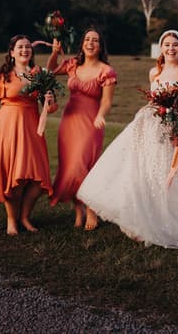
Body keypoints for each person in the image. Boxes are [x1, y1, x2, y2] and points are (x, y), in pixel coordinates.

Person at [76, 30, 178, 249]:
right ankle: (146, 219)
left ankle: (176, 220)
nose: (171, 49)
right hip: (153, 127)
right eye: (167, 45)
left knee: (175, 177)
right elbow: (154, 99)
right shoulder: (155, 72)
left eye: (175, 45)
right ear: (161, 48)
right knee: (149, 173)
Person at [0, 35, 56, 236]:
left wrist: (49, 100)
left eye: (27, 47)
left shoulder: (39, 74)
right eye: (20, 47)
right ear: (12, 52)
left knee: (37, 181)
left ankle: (25, 217)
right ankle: (12, 221)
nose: (25, 50)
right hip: (7, 129)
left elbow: (51, 107)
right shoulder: (3, 75)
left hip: (32, 129)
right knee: (15, 178)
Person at [46, 28, 117, 231]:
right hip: (70, 121)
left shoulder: (106, 71)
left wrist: (101, 115)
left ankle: (91, 209)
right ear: (82, 44)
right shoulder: (73, 64)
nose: (90, 43)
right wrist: (54, 53)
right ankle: (78, 211)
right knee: (70, 167)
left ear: (100, 46)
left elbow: (107, 100)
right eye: (87, 39)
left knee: (83, 166)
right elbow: (50, 70)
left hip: (92, 122)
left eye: (95, 40)